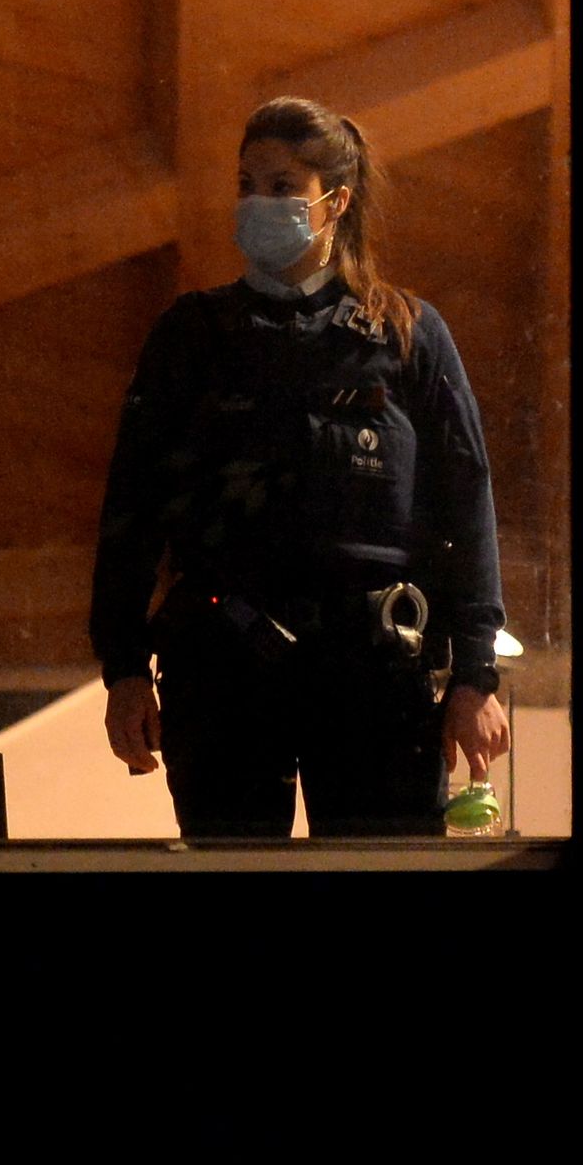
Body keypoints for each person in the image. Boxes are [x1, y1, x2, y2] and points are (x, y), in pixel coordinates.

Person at [91, 96, 512, 839]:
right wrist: (124, 667)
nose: (259, 202)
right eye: (247, 183)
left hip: (375, 670)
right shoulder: (192, 336)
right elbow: (131, 508)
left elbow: (466, 507)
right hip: (224, 668)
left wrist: (475, 676)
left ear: (335, 201)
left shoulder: (404, 331)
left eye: (283, 186)